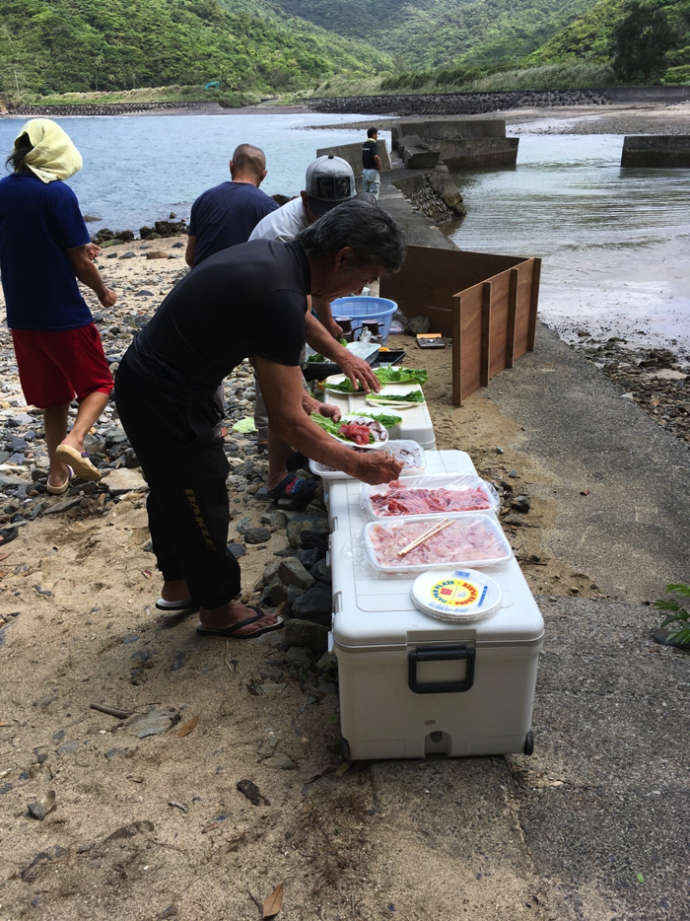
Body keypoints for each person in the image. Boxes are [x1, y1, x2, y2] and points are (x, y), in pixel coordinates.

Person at [115, 198, 405, 640]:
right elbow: (285, 423)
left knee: (171, 487)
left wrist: (307, 401)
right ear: (342, 257)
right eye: (361, 281)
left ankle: (178, 585)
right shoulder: (281, 293)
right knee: (201, 491)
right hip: (166, 396)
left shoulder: (278, 259)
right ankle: (217, 608)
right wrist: (358, 464)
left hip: (145, 378)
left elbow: (275, 352)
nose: (355, 291)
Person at [249, 154, 382, 501]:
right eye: (325, 213)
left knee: (294, 395)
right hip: (259, 318)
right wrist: (356, 464)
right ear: (304, 200)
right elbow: (296, 313)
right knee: (281, 403)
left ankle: (290, 453)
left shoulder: (325, 239)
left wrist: (330, 322)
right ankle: (276, 476)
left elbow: (319, 285)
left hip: (275, 308)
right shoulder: (281, 237)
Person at [0, 119, 117, 494]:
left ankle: (56, 476)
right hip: (62, 313)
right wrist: (103, 292)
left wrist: (75, 252)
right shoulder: (57, 194)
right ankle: (75, 441)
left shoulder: (3, 191)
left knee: (55, 398)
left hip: (22, 315)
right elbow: (80, 263)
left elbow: (28, 243)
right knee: (100, 384)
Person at [185, 143, 278, 268]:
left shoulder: (203, 199)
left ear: (231, 166)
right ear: (263, 174)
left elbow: (190, 257)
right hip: (245, 281)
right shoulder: (268, 207)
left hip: (202, 281)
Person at [362, 127, 383, 200]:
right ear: (373, 135)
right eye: (377, 134)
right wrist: (380, 167)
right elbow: (376, 157)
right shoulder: (374, 144)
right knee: (374, 194)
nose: (377, 136)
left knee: (366, 194)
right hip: (373, 171)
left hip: (365, 171)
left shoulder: (364, 144)